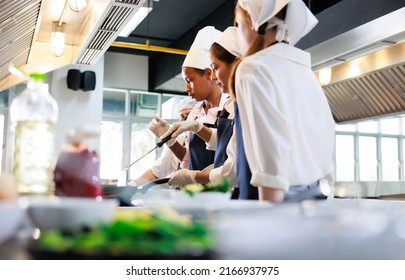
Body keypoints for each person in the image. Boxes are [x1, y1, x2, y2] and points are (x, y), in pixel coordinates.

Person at [230, 0, 335, 202]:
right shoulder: (305, 70)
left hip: (275, 202)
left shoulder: (253, 68)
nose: (238, 34)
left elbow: (272, 152)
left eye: (238, 25)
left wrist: (271, 222)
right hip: (315, 200)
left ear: (252, 21)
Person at [161, 27, 242, 194]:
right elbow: (223, 142)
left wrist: (196, 176)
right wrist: (196, 127)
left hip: (230, 191)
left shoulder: (242, 105)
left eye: (215, 68)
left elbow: (234, 170)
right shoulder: (228, 107)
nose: (214, 77)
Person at [150, 26, 228, 174]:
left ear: (208, 73)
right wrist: (169, 139)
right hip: (195, 190)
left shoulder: (228, 107)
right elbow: (189, 157)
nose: (186, 88)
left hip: (221, 190)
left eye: (189, 80)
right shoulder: (195, 113)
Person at [133, 97, 197, 186]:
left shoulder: (206, 140)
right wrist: (132, 184)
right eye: (182, 116)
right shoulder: (179, 139)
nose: (185, 119)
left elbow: (192, 162)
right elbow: (157, 171)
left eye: (188, 115)